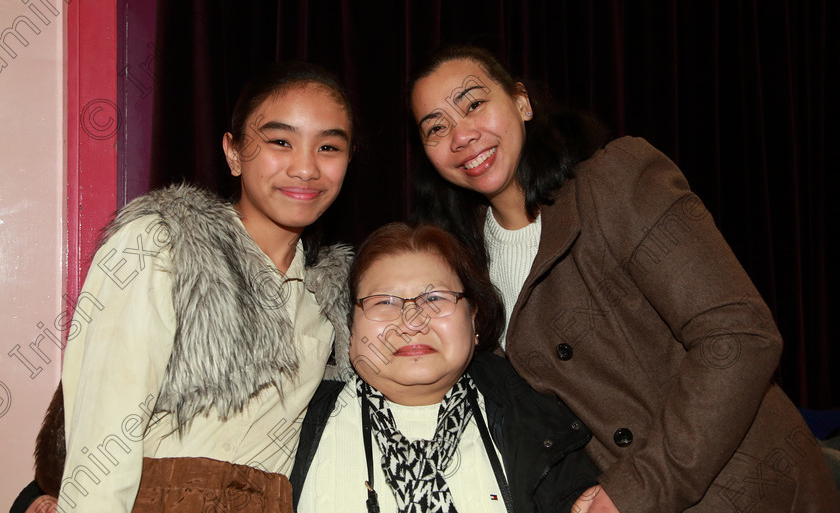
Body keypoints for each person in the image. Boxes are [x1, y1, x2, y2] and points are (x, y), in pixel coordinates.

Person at [408, 45, 840, 512]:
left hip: (743, 486)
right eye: (436, 127)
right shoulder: (463, 269)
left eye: (473, 104)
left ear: (522, 101)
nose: (461, 135)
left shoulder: (614, 179)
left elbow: (740, 335)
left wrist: (636, 490)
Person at [12, 61, 356, 513]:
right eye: (280, 141)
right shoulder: (161, 245)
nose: (307, 167)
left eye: (329, 147)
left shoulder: (331, 297)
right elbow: (103, 431)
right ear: (233, 153)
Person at [290, 222, 600, 513]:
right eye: (384, 302)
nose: (411, 321)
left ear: (473, 320)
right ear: (351, 331)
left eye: (434, 298)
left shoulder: (544, 430)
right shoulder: (292, 420)